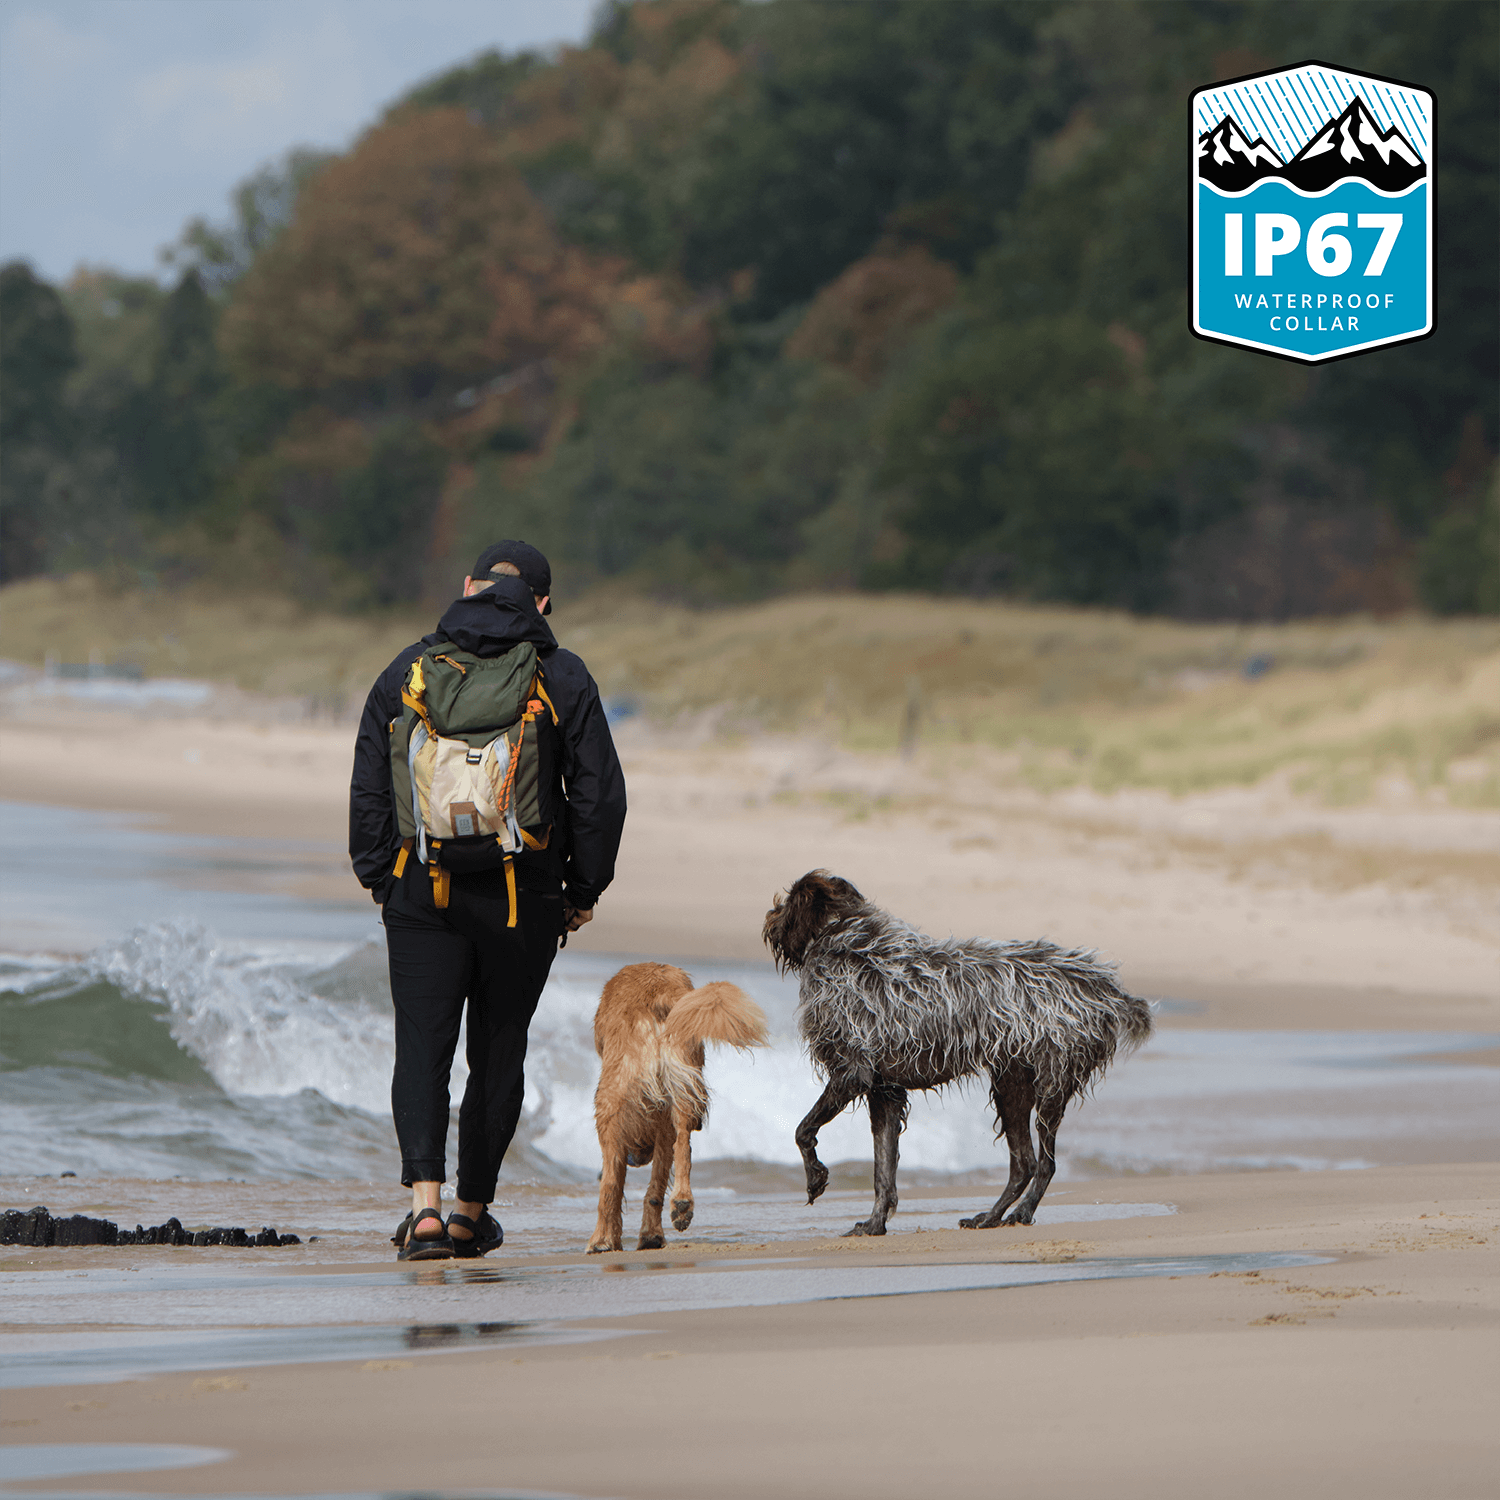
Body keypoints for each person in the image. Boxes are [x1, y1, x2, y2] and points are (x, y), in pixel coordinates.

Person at [349, 541, 626, 1259]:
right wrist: (581, 890)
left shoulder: (408, 669)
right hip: (523, 895)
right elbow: (598, 795)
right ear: (540, 603)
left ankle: (427, 1211)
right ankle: (472, 1214)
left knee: (422, 1048)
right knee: (498, 1052)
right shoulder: (561, 676)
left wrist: (381, 876)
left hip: (421, 889)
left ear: (468, 587)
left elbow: (370, 782)